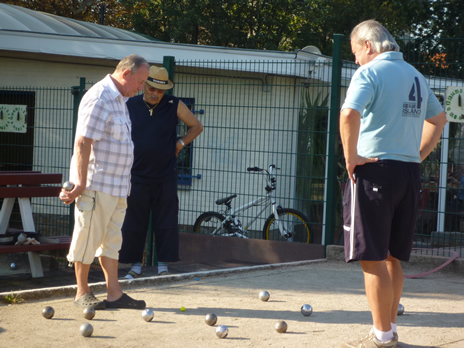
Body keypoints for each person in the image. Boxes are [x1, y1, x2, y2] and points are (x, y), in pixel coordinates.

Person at [339, 20, 446, 348]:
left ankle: (382, 338)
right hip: (408, 173)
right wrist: (418, 155)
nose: (356, 60)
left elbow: (348, 114)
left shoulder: (369, 73)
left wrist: (351, 157)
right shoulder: (415, 74)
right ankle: (389, 329)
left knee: (372, 257)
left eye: (356, 52)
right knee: (391, 257)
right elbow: (439, 119)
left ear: (368, 46)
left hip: (375, 173)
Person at [59, 54, 150, 310]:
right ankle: (81, 292)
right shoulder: (101, 97)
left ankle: (114, 293)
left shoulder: (121, 99)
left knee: (111, 242)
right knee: (87, 238)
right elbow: (83, 141)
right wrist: (80, 183)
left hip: (118, 186)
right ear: (126, 74)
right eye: (141, 82)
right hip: (96, 184)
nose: (141, 88)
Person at [119, 65, 203, 279]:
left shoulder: (174, 104)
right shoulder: (130, 103)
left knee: (166, 220)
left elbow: (196, 126)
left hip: (165, 174)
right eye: (152, 88)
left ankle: (163, 267)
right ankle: (135, 267)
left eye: (161, 90)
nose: (155, 94)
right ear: (144, 85)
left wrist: (181, 143)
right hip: (136, 174)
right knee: (134, 222)